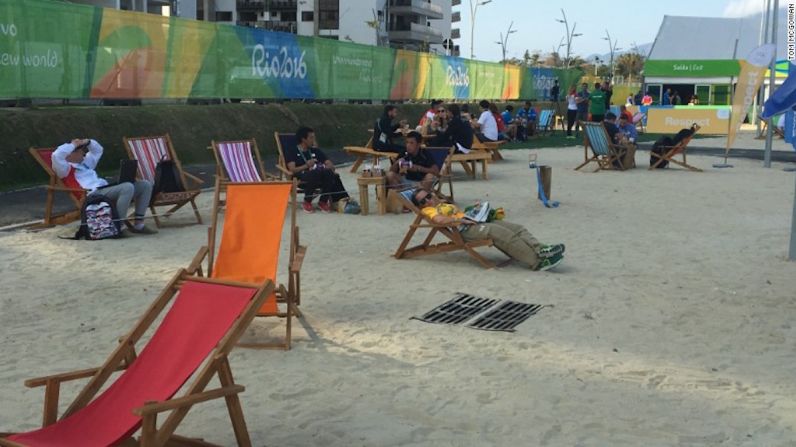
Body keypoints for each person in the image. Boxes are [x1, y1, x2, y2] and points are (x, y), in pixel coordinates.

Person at [410, 188, 566, 271]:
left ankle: (541, 249)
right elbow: (439, 220)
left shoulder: (441, 203)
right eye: (423, 201)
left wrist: (475, 210)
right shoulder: (428, 211)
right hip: (464, 231)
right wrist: (459, 219)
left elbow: (456, 212)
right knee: (502, 234)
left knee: (517, 228)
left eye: (428, 196)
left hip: (473, 222)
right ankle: (537, 262)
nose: (428, 200)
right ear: (421, 206)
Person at [52, 138, 156, 234]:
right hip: (91, 195)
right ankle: (118, 226)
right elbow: (56, 155)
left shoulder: (85, 163)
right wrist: (73, 145)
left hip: (104, 189)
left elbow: (98, 150)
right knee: (127, 187)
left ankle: (139, 224)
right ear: (69, 155)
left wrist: (87, 142)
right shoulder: (64, 169)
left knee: (145, 185)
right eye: (79, 151)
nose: (84, 153)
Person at [285, 126, 354, 214]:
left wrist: (329, 166)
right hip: (301, 175)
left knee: (329, 172)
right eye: (311, 137)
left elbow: (329, 163)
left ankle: (323, 201)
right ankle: (307, 201)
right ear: (303, 139)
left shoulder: (315, 150)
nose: (313, 140)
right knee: (316, 173)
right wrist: (306, 165)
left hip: (319, 174)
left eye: (314, 137)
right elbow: (292, 169)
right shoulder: (292, 151)